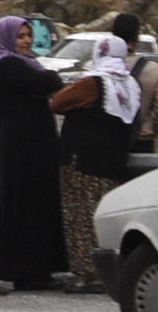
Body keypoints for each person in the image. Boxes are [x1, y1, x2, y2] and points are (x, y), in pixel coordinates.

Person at [0, 15, 67, 290]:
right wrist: (48, 81)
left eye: (28, 36)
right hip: (22, 146)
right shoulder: (7, 64)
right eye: (20, 36)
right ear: (7, 38)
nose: (27, 41)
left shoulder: (23, 63)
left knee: (37, 203)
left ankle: (38, 268)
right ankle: (26, 271)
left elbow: (45, 84)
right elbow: (47, 83)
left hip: (31, 144)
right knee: (27, 204)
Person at [51, 33, 141, 279]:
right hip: (112, 162)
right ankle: (109, 269)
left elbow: (57, 103)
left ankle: (89, 272)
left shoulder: (93, 83)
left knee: (81, 217)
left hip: (82, 161)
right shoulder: (129, 84)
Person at [112, 11, 158, 149]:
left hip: (109, 141)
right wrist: (150, 130)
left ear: (113, 35)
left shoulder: (99, 67)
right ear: (138, 37)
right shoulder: (152, 69)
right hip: (141, 139)